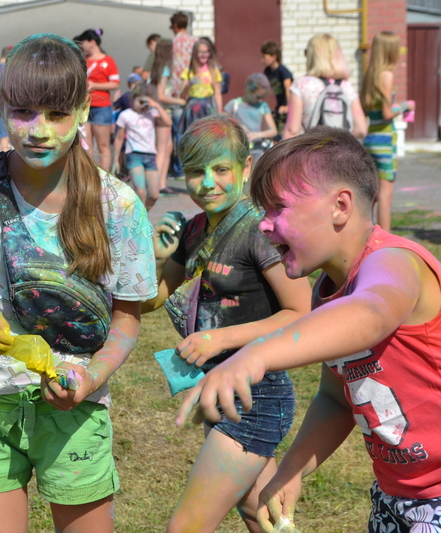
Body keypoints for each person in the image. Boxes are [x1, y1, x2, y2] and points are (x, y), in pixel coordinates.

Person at [177, 127, 441, 533]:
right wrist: (290, 471)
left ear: (340, 205)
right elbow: (337, 400)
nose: (264, 225)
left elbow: (371, 313)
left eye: (278, 208)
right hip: (400, 492)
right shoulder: (327, 291)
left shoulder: (395, 262)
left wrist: (253, 355)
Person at [0, 34, 158, 533]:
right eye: (23, 112)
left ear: (82, 110)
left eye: (56, 114)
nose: (38, 130)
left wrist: (91, 377)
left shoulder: (117, 206)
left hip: (76, 407)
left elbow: (127, 318)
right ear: (2, 108)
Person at [144, 115, 312, 533]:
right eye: (195, 172)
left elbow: (302, 312)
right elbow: (153, 298)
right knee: (263, 513)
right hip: (220, 387)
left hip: (257, 394)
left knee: (185, 527)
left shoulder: (258, 229)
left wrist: (219, 338)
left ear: (246, 166)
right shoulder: (194, 229)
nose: (207, 183)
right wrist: (156, 257)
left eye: (220, 169)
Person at [360, 31, 414, 232]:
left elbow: (368, 110)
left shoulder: (369, 76)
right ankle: (384, 242)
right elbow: (387, 112)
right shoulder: (387, 75)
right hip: (384, 140)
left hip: (370, 137)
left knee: (371, 195)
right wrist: (404, 105)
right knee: (385, 195)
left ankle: (364, 235)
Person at [283, 33, 366, 140]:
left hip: (312, 153)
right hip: (341, 154)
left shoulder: (301, 84)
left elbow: (292, 130)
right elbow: (361, 130)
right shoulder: (347, 87)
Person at [112, 82, 171, 210]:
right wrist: (116, 159)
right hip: (134, 155)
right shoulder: (125, 115)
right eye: (140, 101)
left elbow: (168, 122)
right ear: (133, 99)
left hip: (150, 156)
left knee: (154, 194)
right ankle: (139, 222)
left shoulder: (152, 113)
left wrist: (156, 106)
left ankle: (142, 216)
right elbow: (119, 138)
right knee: (141, 192)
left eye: (146, 101)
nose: (143, 105)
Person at [74, 28, 120, 172]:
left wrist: (95, 85)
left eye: (83, 42)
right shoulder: (84, 61)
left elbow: (115, 83)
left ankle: (105, 178)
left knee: (103, 146)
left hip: (102, 107)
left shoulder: (108, 60)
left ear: (92, 42)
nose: (82, 46)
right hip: (84, 106)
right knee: (86, 145)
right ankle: (88, 176)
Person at [151, 38, 186, 194]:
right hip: (162, 111)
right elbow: (161, 95)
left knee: (168, 147)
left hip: (160, 111)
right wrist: (179, 100)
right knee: (162, 149)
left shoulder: (156, 67)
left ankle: (162, 183)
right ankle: (156, 185)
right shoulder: (165, 68)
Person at [224, 73, 278, 160]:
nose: (260, 100)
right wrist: (237, 126)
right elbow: (221, 121)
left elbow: (273, 131)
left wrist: (256, 135)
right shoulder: (234, 104)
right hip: (237, 150)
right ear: (248, 89)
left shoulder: (263, 106)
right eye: (257, 96)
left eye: (262, 97)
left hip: (256, 151)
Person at [169, 11, 198, 177]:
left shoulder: (171, 44)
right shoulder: (195, 42)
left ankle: (180, 169)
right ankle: (194, 165)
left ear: (175, 26)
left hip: (176, 94)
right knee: (193, 130)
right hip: (193, 92)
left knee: (179, 132)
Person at [177, 38, 223, 139]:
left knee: (208, 137)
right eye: (200, 52)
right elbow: (182, 95)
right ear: (195, 53)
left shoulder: (214, 71)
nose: (203, 55)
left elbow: (218, 94)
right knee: (193, 137)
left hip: (208, 107)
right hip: (193, 109)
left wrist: (219, 113)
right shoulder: (188, 72)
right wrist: (190, 83)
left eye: (206, 52)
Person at [260, 40, 293, 133]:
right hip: (279, 107)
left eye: (264, 57)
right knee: (275, 133)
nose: (261, 60)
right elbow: (264, 88)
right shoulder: (267, 71)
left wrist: (287, 106)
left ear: (274, 57)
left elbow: (288, 88)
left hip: (288, 107)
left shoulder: (283, 71)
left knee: (283, 133)